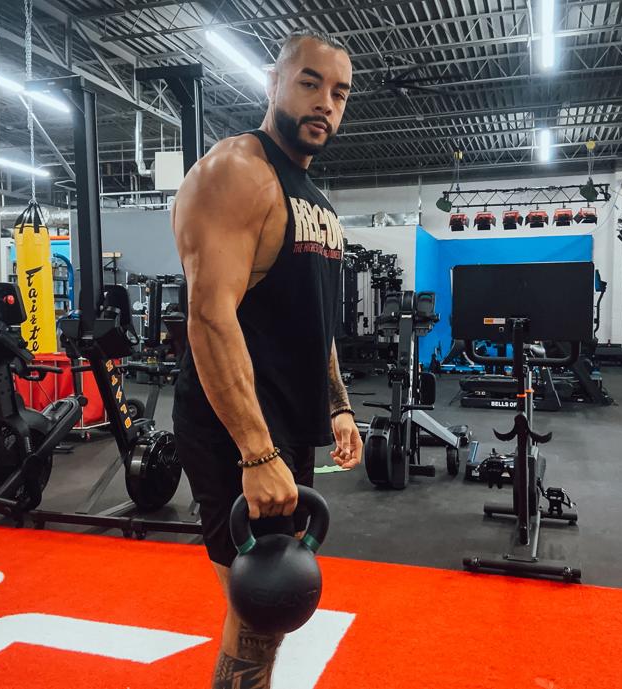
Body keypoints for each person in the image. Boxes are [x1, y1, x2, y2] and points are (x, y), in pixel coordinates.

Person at [171, 29, 361, 689]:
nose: (325, 104)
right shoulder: (237, 173)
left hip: (285, 418)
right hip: (236, 425)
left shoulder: (315, 198)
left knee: (269, 604)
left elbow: (317, 318)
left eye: (339, 93)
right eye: (310, 82)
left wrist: (337, 403)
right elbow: (209, 316)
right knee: (262, 601)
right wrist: (256, 451)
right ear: (273, 84)